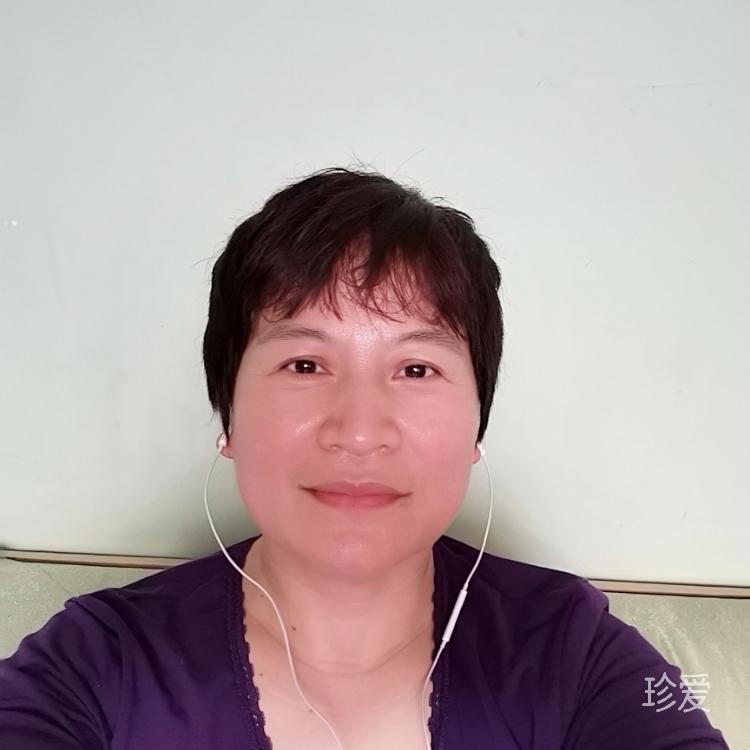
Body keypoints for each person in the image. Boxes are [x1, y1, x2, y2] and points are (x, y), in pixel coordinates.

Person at [0, 167, 730, 749]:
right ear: (228, 416)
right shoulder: (94, 664)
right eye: (304, 365)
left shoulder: (572, 652)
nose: (358, 432)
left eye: (416, 369)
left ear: (477, 424)